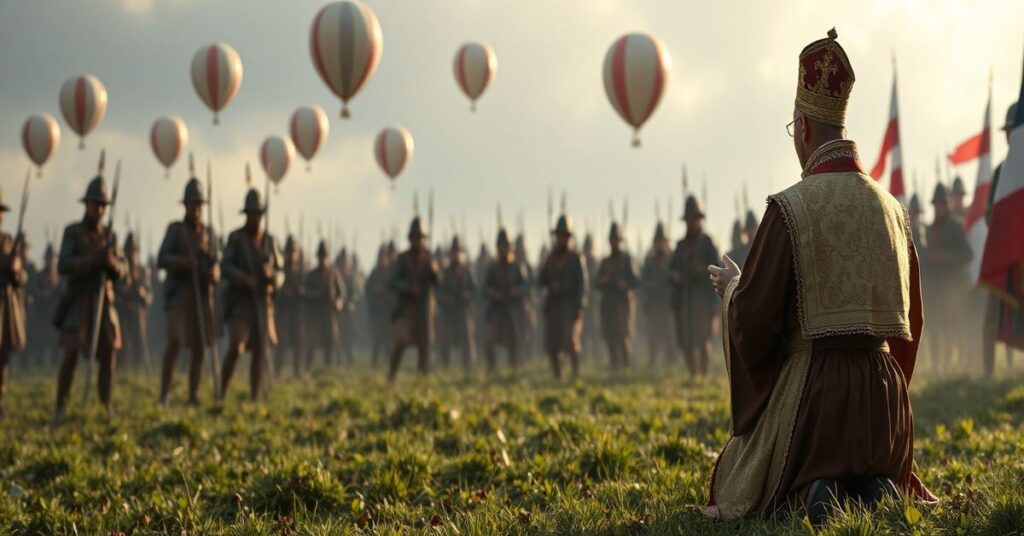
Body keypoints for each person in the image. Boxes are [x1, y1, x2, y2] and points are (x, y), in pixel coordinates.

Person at [704, 29, 935, 524]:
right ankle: (877, 482)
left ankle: (816, 488)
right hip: (886, 404)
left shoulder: (789, 208)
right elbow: (912, 324)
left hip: (819, 404)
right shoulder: (894, 212)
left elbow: (755, 321)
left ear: (803, 128)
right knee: (873, 470)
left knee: (739, 480)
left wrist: (731, 292)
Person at [53, 155, 127, 423]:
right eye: (94, 203)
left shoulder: (111, 236)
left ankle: (106, 405)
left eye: (101, 205)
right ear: (86, 204)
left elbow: (123, 268)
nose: (98, 208)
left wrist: (112, 265)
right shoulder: (72, 232)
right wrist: (92, 261)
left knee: (108, 355)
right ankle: (60, 406)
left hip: (103, 302)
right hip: (78, 299)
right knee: (71, 354)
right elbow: (64, 265)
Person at [156, 178, 220, 406]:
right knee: (174, 340)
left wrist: (213, 273)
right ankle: (165, 392)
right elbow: (162, 258)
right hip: (180, 295)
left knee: (200, 346)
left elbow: (216, 263)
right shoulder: (176, 230)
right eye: (193, 204)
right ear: (186, 205)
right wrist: (185, 261)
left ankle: (194, 394)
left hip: (201, 296)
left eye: (199, 205)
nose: (196, 209)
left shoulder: (209, 233)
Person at [219, 187, 284, 401]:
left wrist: (271, 275)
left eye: (258, 213)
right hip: (240, 302)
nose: (255, 217)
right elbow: (225, 266)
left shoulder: (270, 241)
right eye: (251, 213)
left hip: (262, 302)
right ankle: (223, 390)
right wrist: (243, 279)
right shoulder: (236, 238)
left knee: (260, 350)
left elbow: (281, 274)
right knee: (237, 346)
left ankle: (254, 396)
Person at [982, 102, 1021, 377]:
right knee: (990, 317)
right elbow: (988, 213)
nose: (1011, 136)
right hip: (1003, 253)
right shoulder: (1000, 172)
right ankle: (987, 372)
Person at [669, 195, 720, 377]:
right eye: (689, 219)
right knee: (687, 341)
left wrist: (699, 270)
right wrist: (676, 275)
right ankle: (693, 375)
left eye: (694, 219)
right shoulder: (681, 246)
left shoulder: (707, 244)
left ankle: (704, 376)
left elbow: (716, 272)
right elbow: (672, 269)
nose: (691, 223)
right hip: (685, 300)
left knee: (703, 339)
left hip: (703, 300)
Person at [925, 183, 973, 373]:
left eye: (942, 204)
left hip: (954, 290)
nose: (939, 208)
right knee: (935, 329)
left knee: (952, 329)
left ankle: (952, 365)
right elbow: (923, 255)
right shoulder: (928, 230)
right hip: (934, 290)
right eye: (936, 204)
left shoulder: (956, 227)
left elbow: (967, 254)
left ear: (947, 205)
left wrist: (948, 258)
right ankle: (937, 367)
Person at [387, 217, 439, 382]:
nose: (418, 241)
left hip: (423, 310)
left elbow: (437, 282)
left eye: (421, 237)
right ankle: (392, 376)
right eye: (415, 237)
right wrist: (408, 287)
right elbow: (393, 282)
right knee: (401, 341)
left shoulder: (428, 259)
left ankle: (421, 379)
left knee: (424, 346)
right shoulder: (403, 259)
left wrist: (434, 270)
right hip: (407, 308)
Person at [538, 215, 588, 381]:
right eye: (558, 236)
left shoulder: (575, 259)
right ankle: (557, 376)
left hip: (569, 306)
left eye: (563, 236)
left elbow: (582, 285)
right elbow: (541, 280)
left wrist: (579, 306)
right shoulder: (551, 258)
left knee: (570, 342)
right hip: (553, 307)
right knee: (552, 345)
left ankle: (575, 374)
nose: (560, 239)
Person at [483, 228, 529, 374]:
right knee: (489, 340)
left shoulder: (517, 268)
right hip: (497, 311)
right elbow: (484, 289)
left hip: (513, 311)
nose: (503, 250)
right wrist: (494, 294)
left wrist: (516, 291)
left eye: (505, 246)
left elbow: (526, 288)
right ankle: (491, 369)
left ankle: (513, 370)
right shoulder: (493, 268)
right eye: (500, 246)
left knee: (513, 343)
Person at [595, 222, 639, 370]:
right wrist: (603, 281)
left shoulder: (627, 260)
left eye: (616, 241)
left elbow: (635, 280)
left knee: (623, 336)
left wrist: (625, 284)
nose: (614, 244)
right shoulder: (605, 262)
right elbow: (596, 283)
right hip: (608, 305)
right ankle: (615, 366)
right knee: (610, 337)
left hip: (623, 305)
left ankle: (625, 367)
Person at [0, 189, 27, 418]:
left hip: (5, 305)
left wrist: (16, 270)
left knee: (3, 355)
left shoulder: (8, 240)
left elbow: (21, 278)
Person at [303, 240, 345, 370]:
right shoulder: (311, 275)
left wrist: (338, 302)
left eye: (325, 257)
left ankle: (329, 369)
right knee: (312, 344)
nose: (323, 260)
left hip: (329, 313)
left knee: (331, 342)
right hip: (315, 314)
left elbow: (342, 293)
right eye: (321, 257)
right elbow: (306, 293)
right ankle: (307, 368)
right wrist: (318, 294)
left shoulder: (334, 273)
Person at [437, 237, 476, 372]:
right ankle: (445, 366)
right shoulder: (445, 272)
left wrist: (468, 295)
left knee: (467, 338)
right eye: (454, 252)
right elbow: (439, 292)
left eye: (458, 252)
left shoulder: (467, 271)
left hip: (463, 311)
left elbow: (474, 290)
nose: (456, 255)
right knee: (445, 339)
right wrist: (445, 299)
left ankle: (468, 367)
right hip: (449, 311)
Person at [641, 222, 676, 366]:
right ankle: (652, 361)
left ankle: (671, 363)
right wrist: (649, 284)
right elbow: (642, 281)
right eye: (658, 241)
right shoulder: (649, 261)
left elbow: (676, 277)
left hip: (668, 304)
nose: (660, 244)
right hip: (654, 304)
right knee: (653, 336)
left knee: (670, 335)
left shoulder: (672, 259)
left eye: (663, 241)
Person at [115, 232, 152, 370]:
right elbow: (116, 291)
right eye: (130, 251)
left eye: (134, 252)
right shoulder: (121, 270)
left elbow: (149, 295)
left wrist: (143, 294)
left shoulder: (142, 271)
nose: (132, 255)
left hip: (139, 312)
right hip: (123, 311)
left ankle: (139, 370)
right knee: (123, 343)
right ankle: (120, 370)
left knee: (140, 343)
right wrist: (124, 289)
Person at [275, 235, 304, 376]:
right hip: (284, 311)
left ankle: (297, 372)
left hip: (297, 311)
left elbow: (307, 289)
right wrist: (283, 291)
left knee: (298, 343)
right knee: (282, 343)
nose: (292, 254)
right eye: (290, 251)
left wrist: (302, 291)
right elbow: (276, 287)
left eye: (294, 251)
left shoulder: (301, 270)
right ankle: (278, 370)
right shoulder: (281, 268)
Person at [365, 245, 393, 367]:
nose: (382, 259)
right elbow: (368, 289)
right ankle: (374, 362)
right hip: (377, 312)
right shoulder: (374, 273)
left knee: (389, 340)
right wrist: (375, 290)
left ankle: (390, 364)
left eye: (384, 257)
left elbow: (394, 290)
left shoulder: (390, 273)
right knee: (377, 339)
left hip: (388, 312)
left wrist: (385, 291)